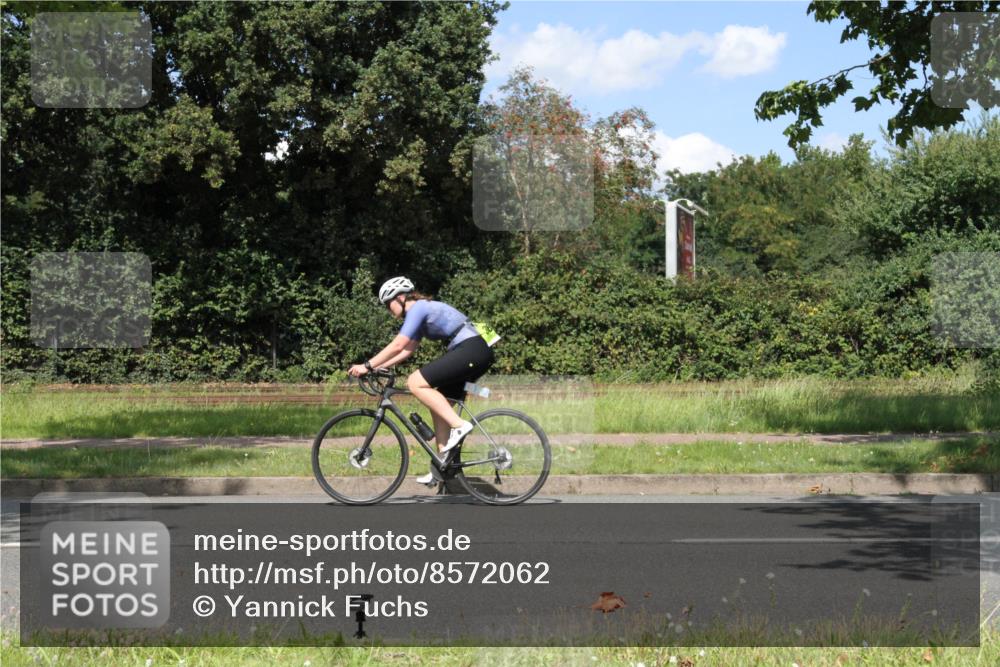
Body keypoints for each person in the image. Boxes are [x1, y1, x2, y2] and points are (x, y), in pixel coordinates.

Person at [347, 276, 495, 485]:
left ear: (400, 298)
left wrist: (367, 365)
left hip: (472, 348)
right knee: (439, 404)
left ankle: (459, 425)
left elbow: (399, 344)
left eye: (389, 304)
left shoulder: (418, 309)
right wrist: (381, 366)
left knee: (415, 382)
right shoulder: (418, 313)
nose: (389, 311)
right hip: (472, 349)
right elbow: (408, 349)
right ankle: (442, 466)